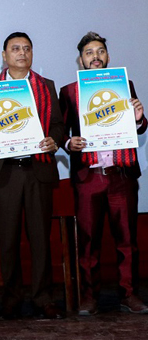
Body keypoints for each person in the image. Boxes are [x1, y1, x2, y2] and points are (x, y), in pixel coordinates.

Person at [0, 32, 65, 320]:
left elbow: (58, 125)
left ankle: (43, 298)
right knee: (8, 240)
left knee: (40, 239)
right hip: (5, 172)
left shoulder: (46, 86)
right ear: (4, 55)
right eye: (16, 48)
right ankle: (11, 298)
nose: (22, 53)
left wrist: (54, 140)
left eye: (27, 48)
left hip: (37, 169)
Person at [58, 31, 148, 316]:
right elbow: (60, 131)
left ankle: (129, 294)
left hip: (121, 175)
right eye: (89, 53)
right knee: (87, 243)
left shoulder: (124, 85)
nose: (95, 57)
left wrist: (139, 118)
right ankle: (89, 297)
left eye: (100, 52)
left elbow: (140, 126)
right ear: (81, 60)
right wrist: (68, 143)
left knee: (127, 241)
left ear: (107, 56)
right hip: (89, 176)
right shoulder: (69, 92)